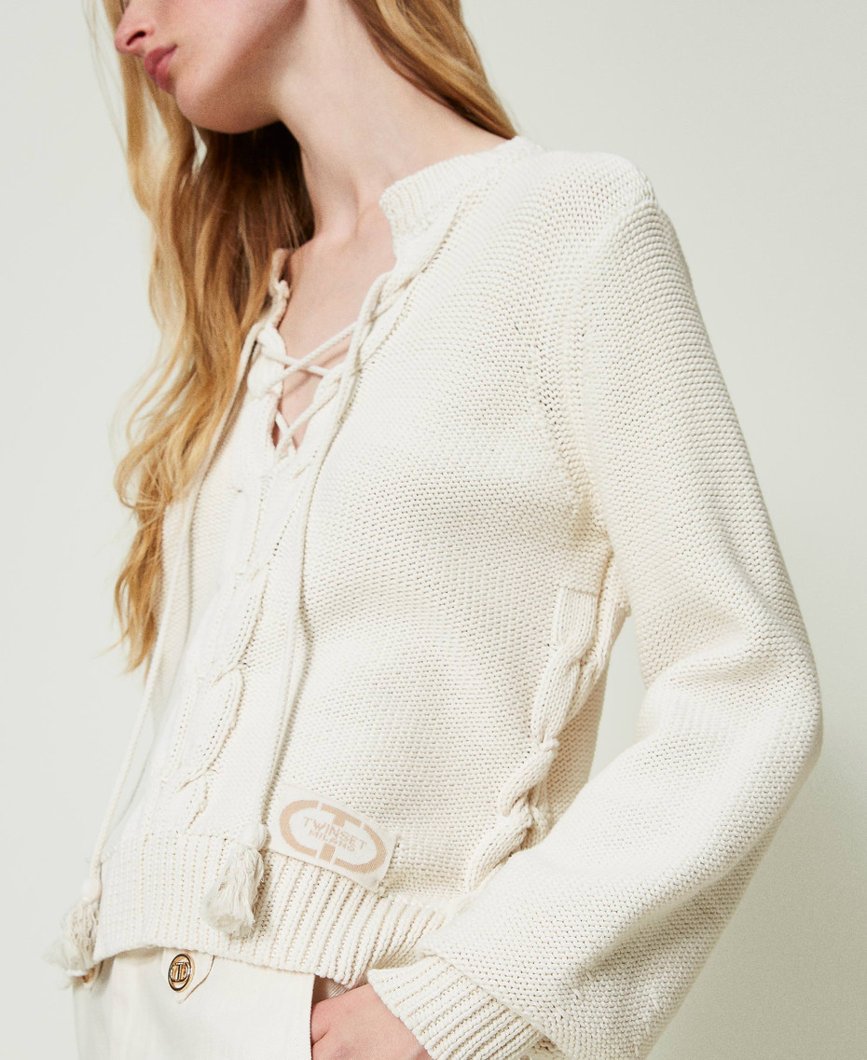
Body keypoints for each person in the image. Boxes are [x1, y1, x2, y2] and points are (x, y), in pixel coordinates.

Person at [45, 0, 824, 1058]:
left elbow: (748, 685)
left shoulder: (568, 229)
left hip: (345, 1019)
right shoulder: (246, 300)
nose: (130, 25)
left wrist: (458, 1001)